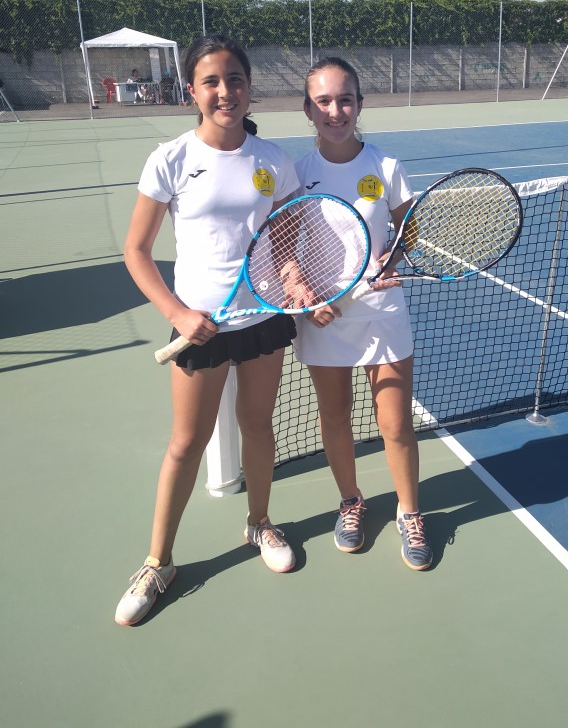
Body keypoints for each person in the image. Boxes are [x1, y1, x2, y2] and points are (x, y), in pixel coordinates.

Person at [115, 36, 300, 627]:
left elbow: (286, 246)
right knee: (185, 443)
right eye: (212, 81)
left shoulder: (275, 161)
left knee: (258, 427)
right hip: (198, 328)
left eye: (235, 78)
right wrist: (177, 313)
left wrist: (295, 281)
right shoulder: (170, 159)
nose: (226, 91)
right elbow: (137, 251)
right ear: (191, 91)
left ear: (249, 86)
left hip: (263, 320)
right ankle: (158, 562)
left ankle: (260, 524)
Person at [293, 57, 433, 571]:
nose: (336, 111)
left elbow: (408, 228)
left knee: (395, 424)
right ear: (308, 109)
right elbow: (284, 245)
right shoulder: (297, 174)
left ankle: (409, 511)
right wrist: (306, 296)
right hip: (323, 317)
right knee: (335, 417)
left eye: (345, 100)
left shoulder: (387, 167)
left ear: (359, 104)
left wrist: (392, 260)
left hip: (381, 312)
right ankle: (351, 501)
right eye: (324, 101)